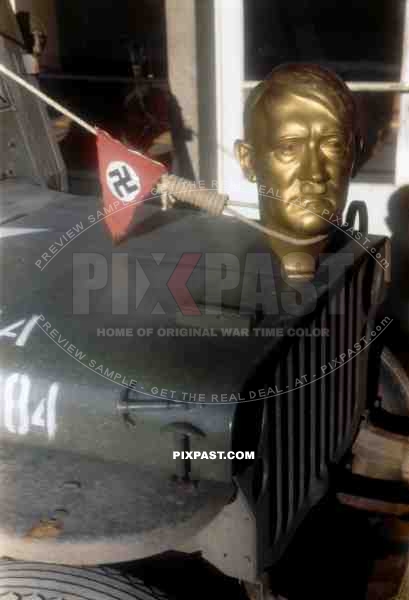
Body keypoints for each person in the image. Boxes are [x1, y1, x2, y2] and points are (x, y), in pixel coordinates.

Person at [235, 63, 362, 280]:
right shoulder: (219, 273)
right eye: (289, 148)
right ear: (248, 161)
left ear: (355, 156)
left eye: (334, 145)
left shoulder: (364, 267)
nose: (315, 174)